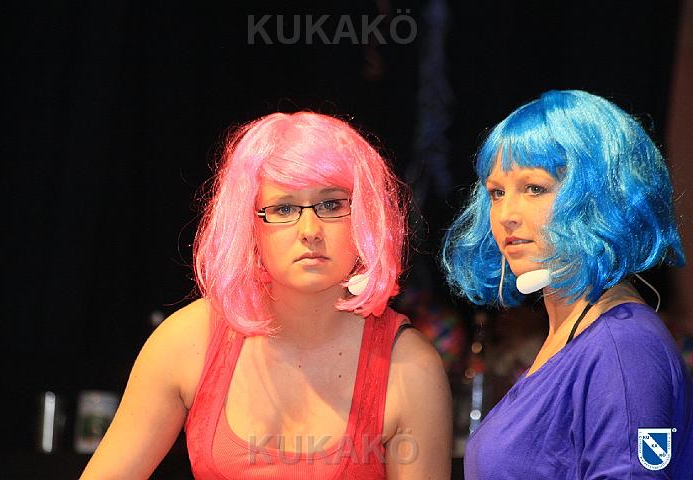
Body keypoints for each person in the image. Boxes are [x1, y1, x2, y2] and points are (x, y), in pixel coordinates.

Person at [81, 112, 453, 479]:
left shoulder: (410, 368)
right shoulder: (188, 341)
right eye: (284, 208)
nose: (310, 230)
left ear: (366, 215)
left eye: (331, 204)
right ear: (249, 224)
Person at [442, 90, 693, 478]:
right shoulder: (577, 334)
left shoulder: (623, 345)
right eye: (497, 192)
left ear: (600, 196)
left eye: (534, 188)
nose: (506, 214)